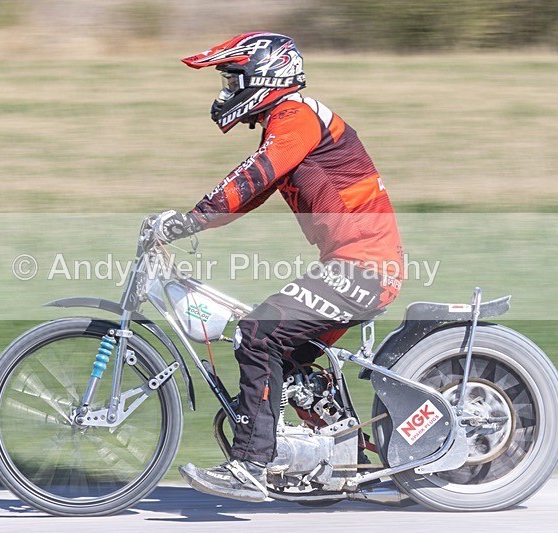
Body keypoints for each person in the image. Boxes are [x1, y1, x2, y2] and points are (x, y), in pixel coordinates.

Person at [153, 32, 403, 502]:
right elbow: (252, 194)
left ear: (265, 76)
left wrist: (188, 221)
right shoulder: (290, 123)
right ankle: (347, 461)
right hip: (357, 264)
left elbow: (254, 175)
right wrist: (197, 222)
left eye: (233, 81)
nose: (227, 93)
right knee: (288, 365)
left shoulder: (296, 117)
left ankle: (251, 464)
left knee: (257, 333)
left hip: (362, 267)